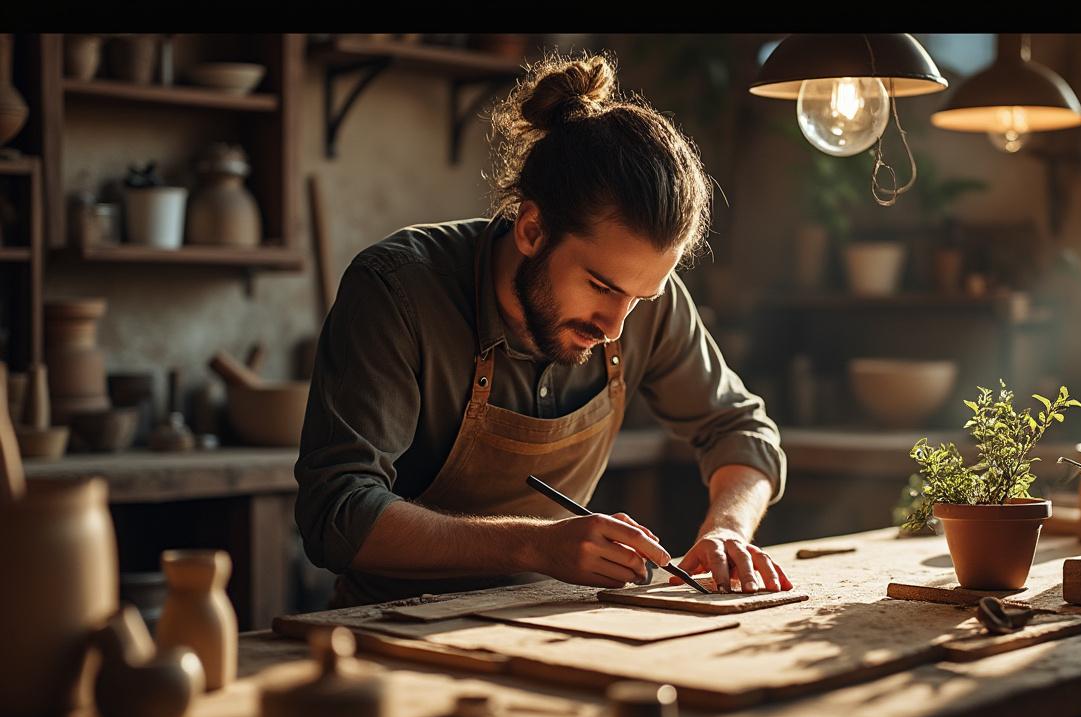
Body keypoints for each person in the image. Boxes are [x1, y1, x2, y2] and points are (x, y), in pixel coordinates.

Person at [294, 51, 791, 608]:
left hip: (549, 617)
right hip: (390, 628)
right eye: (602, 288)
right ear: (532, 229)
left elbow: (742, 429)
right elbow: (335, 512)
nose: (615, 325)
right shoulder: (399, 290)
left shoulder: (643, 302)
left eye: (639, 297)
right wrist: (534, 547)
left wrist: (727, 529)